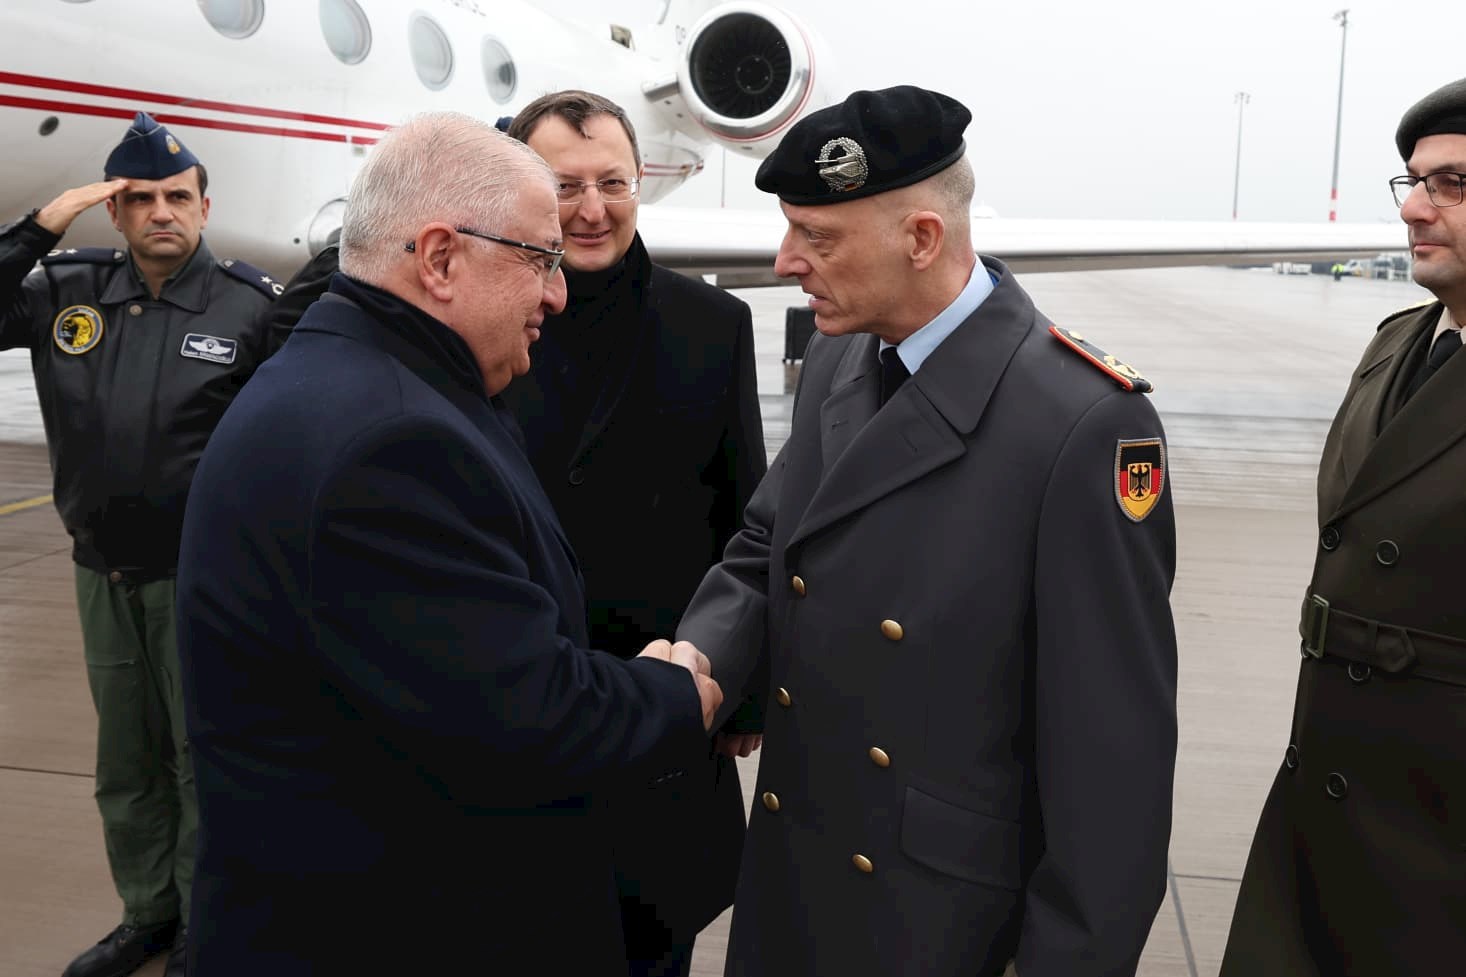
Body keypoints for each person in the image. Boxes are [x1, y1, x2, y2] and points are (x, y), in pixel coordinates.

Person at [174, 112, 722, 976]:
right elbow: (524, 718)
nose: (557, 294)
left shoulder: (351, 377)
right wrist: (674, 694)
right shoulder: (390, 444)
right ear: (438, 258)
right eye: (539, 259)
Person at [675, 86, 1180, 977]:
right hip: (795, 884)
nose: (786, 261)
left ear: (921, 238)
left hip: (935, 923)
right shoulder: (840, 353)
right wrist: (699, 656)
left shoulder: (1084, 421)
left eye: (818, 237)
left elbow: (1113, 768)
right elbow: (769, 546)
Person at [0, 111, 278, 977]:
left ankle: (206, 921)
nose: (163, 212)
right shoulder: (65, 290)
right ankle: (147, 915)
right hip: (102, 573)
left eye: (178, 197)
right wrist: (40, 226)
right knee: (125, 765)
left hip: (204, 582)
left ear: (204, 207)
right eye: (143, 198)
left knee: (203, 761)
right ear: (114, 213)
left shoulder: (250, 307)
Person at [502, 90, 766, 977]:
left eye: (613, 182)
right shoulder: (478, 321)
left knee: (652, 941)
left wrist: (741, 689)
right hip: (522, 702)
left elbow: (745, 515)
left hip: (664, 700)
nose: (592, 208)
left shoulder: (712, 324)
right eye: (565, 184)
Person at [1220, 76, 1466, 976]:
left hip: (1436, 848)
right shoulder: (1396, 343)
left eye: (1453, 184)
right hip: (1324, 810)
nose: (1413, 208)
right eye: (1413, 180)